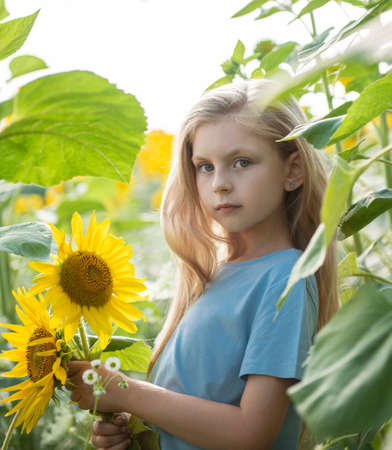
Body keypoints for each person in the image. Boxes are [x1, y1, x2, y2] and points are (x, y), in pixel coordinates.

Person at [67, 79, 339, 450]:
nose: (220, 184)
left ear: (293, 171)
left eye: (242, 162)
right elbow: (195, 408)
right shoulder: (212, 276)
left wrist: (126, 392)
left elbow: (251, 433)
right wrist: (137, 428)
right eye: (205, 166)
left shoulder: (286, 276)